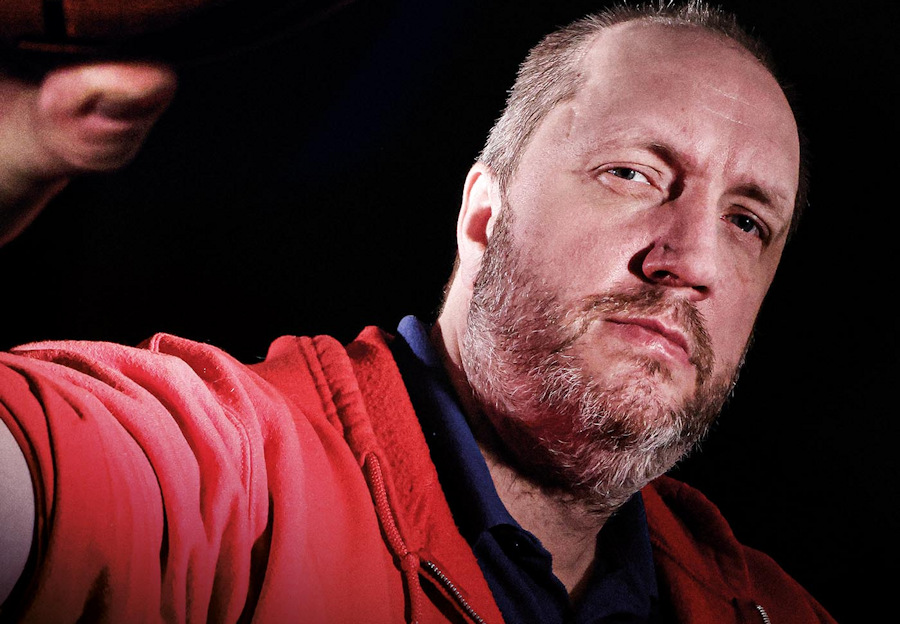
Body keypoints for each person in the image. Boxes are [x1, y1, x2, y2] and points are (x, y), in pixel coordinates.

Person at [0, 2, 838, 622]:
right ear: (484, 215)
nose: (691, 262)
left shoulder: (765, 607)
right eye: (632, 174)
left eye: (746, 222)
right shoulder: (235, 478)